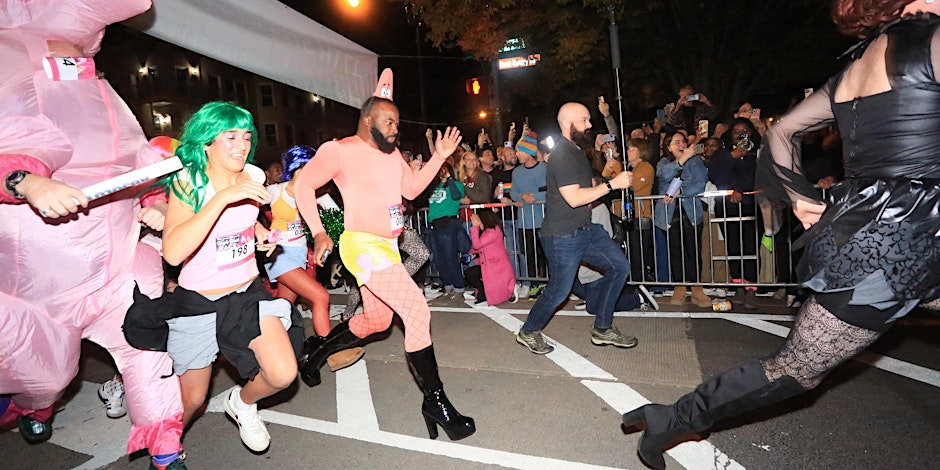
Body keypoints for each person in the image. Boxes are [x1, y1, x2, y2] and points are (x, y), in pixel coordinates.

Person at [621, 3, 940, 469]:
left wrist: (800, 197)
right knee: (795, 368)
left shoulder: (856, 65)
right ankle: (671, 417)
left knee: (795, 367)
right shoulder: (931, 40)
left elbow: (782, 131)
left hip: (890, 232)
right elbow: (783, 132)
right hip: (898, 243)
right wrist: (799, 195)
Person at [0, 2, 186, 468]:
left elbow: (134, 155)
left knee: (148, 338)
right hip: (43, 283)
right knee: (48, 374)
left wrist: (156, 201)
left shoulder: (99, 86)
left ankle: (167, 449)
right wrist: (25, 180)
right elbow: (14, 137)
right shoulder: (12, 64)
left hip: (116, 262)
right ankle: (32, 403)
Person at [294, 69, 475, 441]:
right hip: (360, 244)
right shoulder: (340, 150)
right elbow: (303, 185)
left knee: (377, 322)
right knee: (416, 310)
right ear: (367, 120)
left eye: (397, 121)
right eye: (388, 120)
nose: (395, 128)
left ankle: (315, 355)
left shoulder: (394, 158)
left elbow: (411, 190)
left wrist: (439, 157)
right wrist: (317, 231)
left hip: (388, 246)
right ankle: (435, 401)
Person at [158, 101, 302, 454]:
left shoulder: (252, 176)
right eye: (230, 136)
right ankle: (166, 449)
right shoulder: (189, 182)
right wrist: (221, 198)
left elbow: (243, 221)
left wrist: (259, 234)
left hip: (246, 293)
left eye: (246, 136)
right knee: (191, 400)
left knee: (283, 374)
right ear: (206, 142)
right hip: (200, 302)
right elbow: (173, 252)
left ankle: (242, 403)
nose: (242, 144)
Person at [515, 102, 637, 354]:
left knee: (619, 267)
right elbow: (573, 198)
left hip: (584, 229)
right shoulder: (561, 155)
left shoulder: (577, 152)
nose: (590, 125)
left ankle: (602, 329)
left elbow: (585, 190)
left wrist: (601, 182)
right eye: (584, 120)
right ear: (567, 123)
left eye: (589, 119)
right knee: (559, 292)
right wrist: (613, 185)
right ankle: (528, 331)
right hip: (562, 237)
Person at [263, 145, 364, 372]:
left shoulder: (316, 196)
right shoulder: (275, 192)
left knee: (283, 307)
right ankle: (332, 353)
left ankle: (264, 346)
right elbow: (244, 209)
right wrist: (260, 232)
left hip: (299, 256)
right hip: (280, 256)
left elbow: (342, 219)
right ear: (298, 168)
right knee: (319, 296)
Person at [654, 132, 712, 308]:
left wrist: (682, 190)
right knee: (675, 250)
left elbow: (700, 183)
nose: (680, 145)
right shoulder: (664, 162)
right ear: (669, 147)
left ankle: (696, 287)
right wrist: (680, 161)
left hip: (691, 212)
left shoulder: (695, 162)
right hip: (671, 214)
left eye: (683, 142)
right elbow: (663, 175)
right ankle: (680, 286)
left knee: (693, 250)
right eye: (676, 142)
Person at [426, 163, 468, 295]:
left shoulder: (456, 185)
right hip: (435, 225)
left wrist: (450, 179)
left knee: (450, 257)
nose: (442, 172)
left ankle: (458, 287)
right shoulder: (435, 187)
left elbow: (456, 196)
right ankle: (448, 285)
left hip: (448, 223)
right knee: (439, 258)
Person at [464, 209, 517, 306]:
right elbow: (478, 248)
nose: (475, 221)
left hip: (495, 265)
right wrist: (471, 254)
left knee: (470, 273)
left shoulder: (492, 231)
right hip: (489, 264)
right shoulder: (487, 231)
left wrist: (475, 228)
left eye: (478, 219)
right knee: (470, 273)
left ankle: (484, 293)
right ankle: (483, 293)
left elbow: (477, 245)